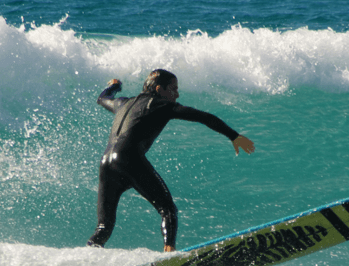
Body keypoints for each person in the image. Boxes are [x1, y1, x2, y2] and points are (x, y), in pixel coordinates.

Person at [87, 69, 255, 252]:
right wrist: (233, 136)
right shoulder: (160, 104)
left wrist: (114, 86)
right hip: (128, 159)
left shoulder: (123, 103)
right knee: (167, 210)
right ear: (159, 89)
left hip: (106, 163)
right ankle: (169, 253)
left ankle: (87, 258)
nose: (177, 94)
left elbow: (102, 98)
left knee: (104, 227)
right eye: (173, 89)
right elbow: (203, 117)